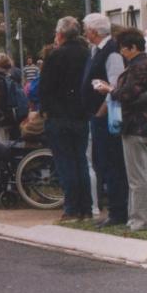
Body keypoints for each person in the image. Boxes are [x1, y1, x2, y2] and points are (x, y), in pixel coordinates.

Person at [95, 28, 147, 231]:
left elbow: (128, 94)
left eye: (123, 48)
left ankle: (143, 221)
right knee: (138, 175)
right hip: (139, 125)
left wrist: (109, 90)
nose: (121, 52)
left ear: (132, 47)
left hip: (136, 125)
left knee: (138, 177)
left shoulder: (139, 66)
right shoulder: (142, 64)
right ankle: (137, 218)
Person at [39, 16, 93, 222]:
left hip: (59, 115)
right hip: (80, 115)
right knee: (81, 160)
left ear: (60, 34)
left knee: (65, 162)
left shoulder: (55, 56)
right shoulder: (86, 54)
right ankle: (86, 208)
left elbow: (45, 88)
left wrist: (45, 109)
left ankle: (71, 208)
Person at [81, 13, 128, 229]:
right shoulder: (96, 51)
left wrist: (102, 110)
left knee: (112, 163)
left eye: (86, 29)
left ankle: (119, 210)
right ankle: (115, 208)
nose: (84, 33)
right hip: (97, 115)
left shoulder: (111, 53)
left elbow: (115, 85)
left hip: (108, 116)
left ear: (94, 31)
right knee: (103, 163)